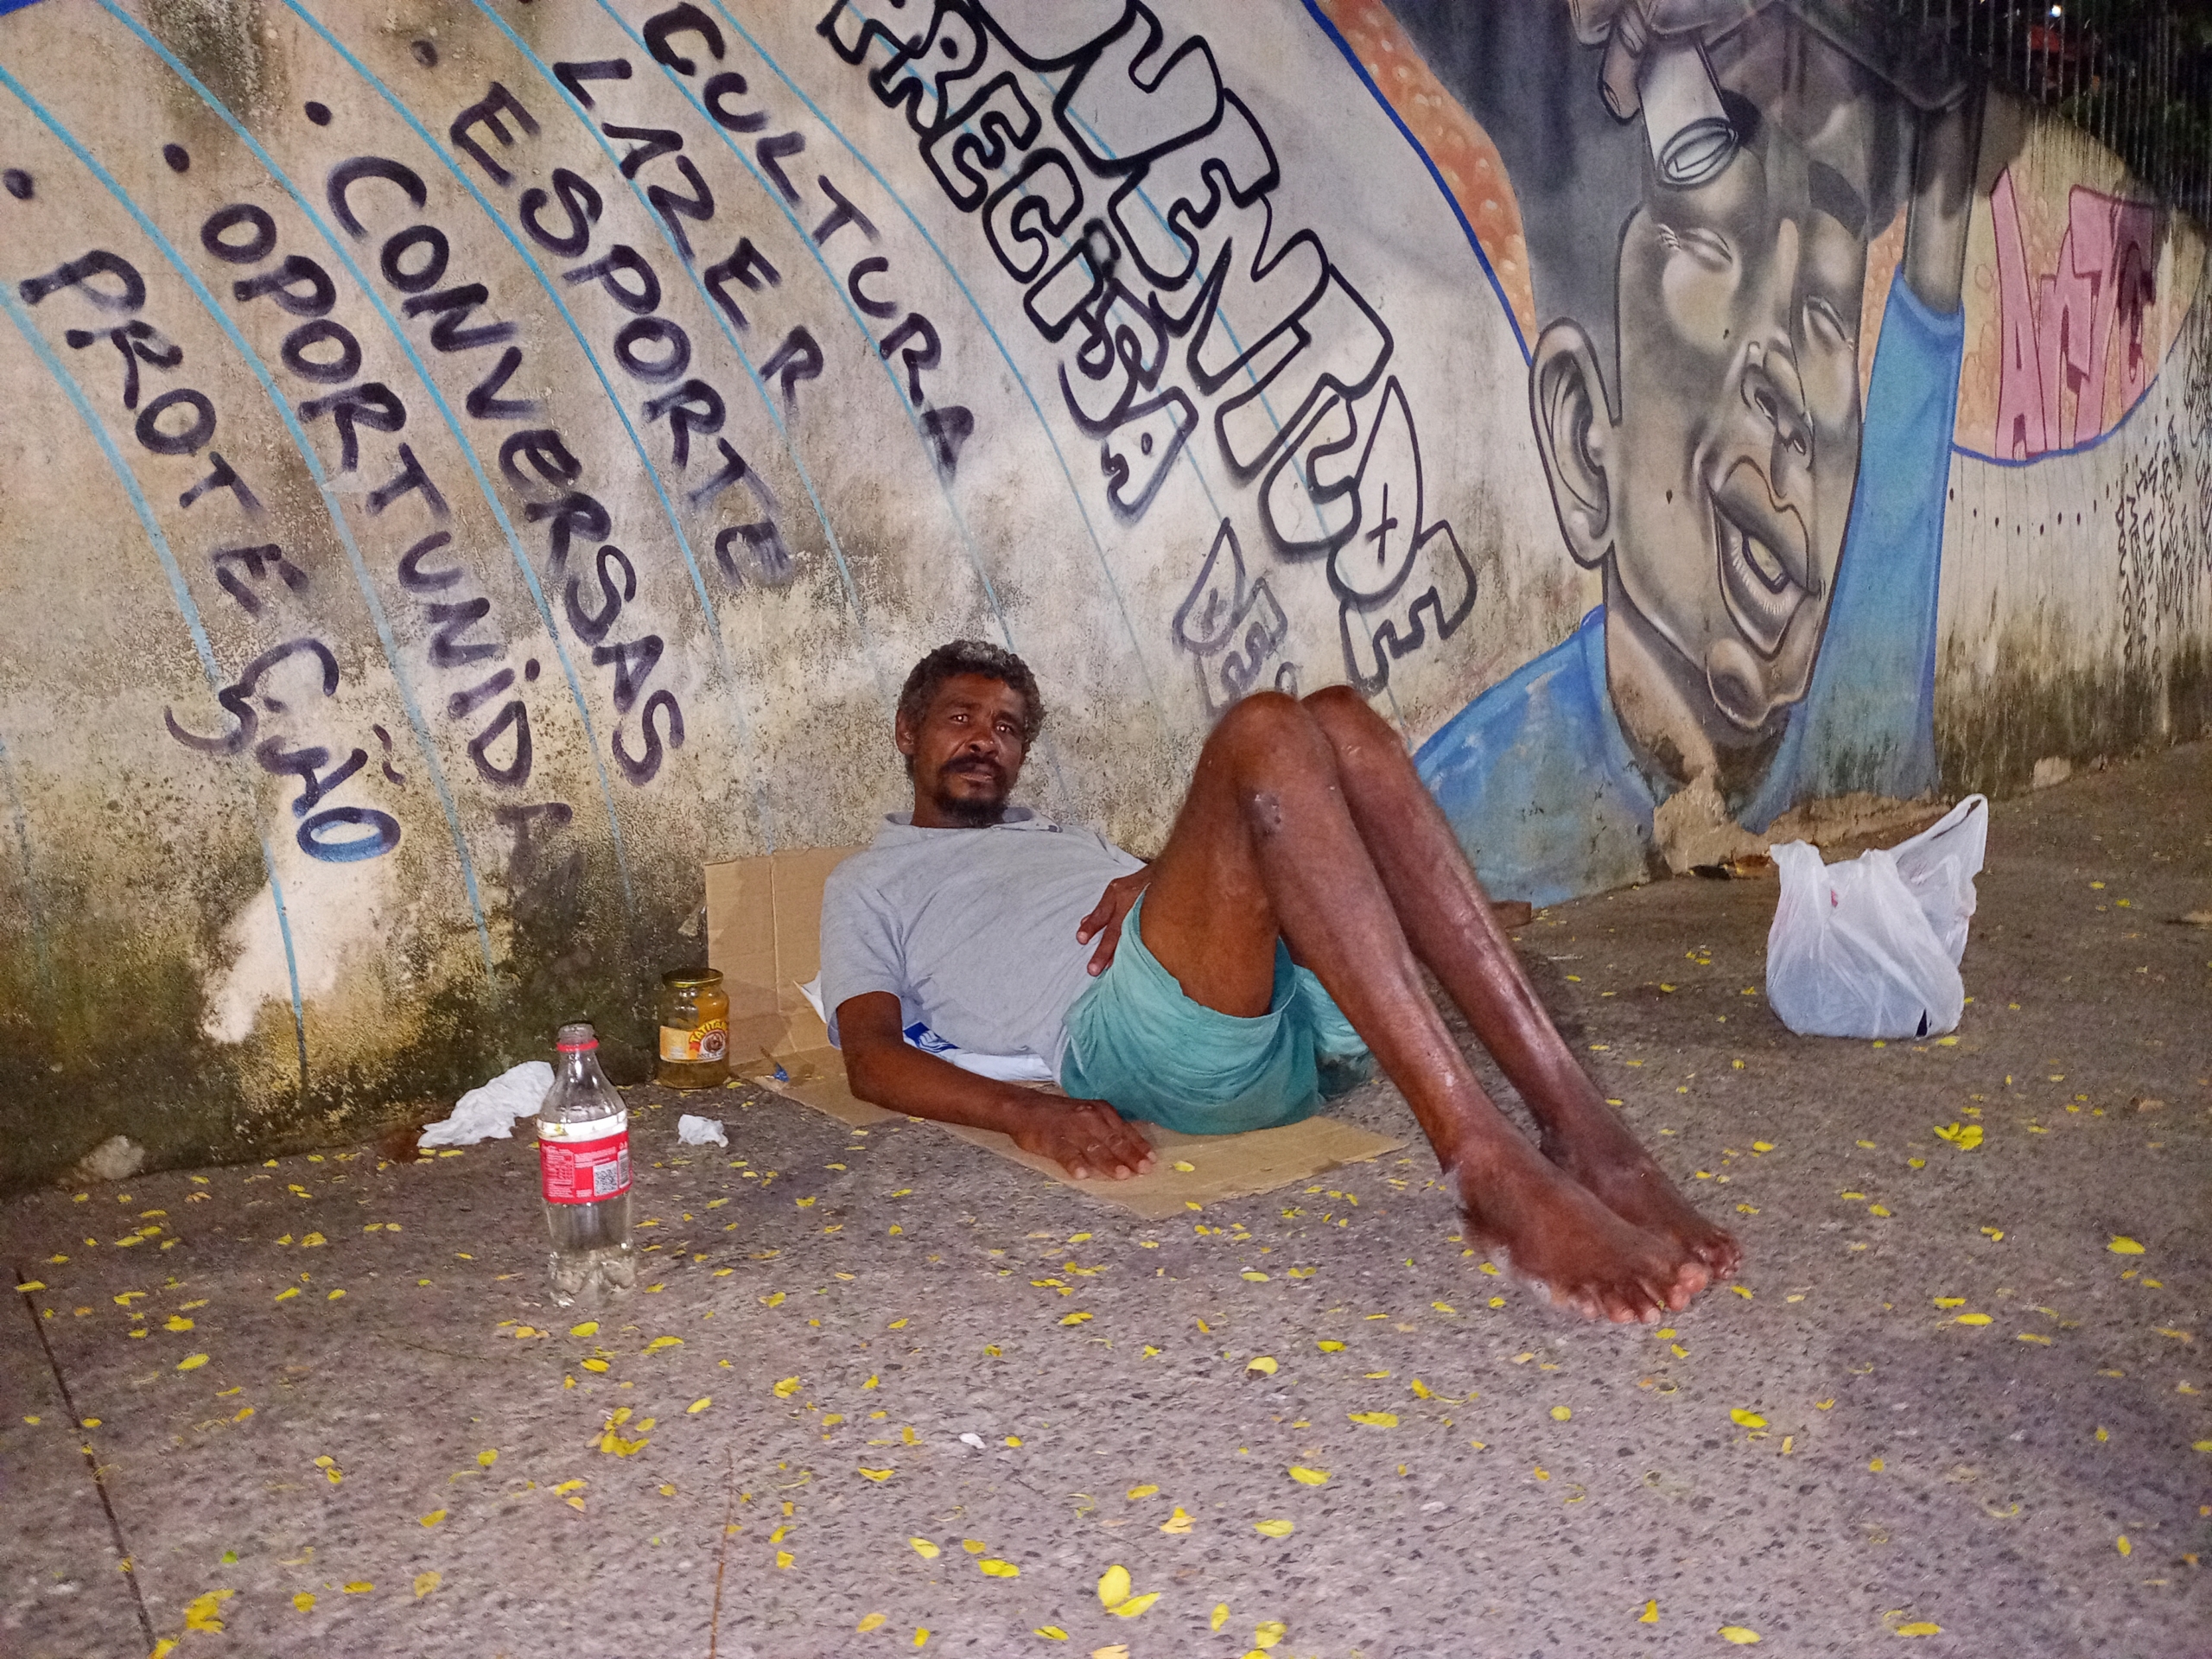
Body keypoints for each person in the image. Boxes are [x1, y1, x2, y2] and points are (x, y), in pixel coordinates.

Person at [821, 640, 1738, 1324]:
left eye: (1007, 729)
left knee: (1337, 717)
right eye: (960, 720)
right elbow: (868, 1056)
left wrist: (1148, 871)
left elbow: (1214, 885)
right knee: (1262, 728)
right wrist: (1031, 1114)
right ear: (907, 734)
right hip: (1139, 1035)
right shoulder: (870, 880)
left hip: (1300, 1019)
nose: (986, 742)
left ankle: (1586, 1139)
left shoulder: (1061, 838)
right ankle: (1487, 1165)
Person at [1395, 0, 1979, 905]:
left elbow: (1956, 165)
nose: (1784, 380)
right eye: (1713, 253)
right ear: (1585, 444)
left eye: (1827, 307)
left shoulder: (1865, 647)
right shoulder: (1448, 820)